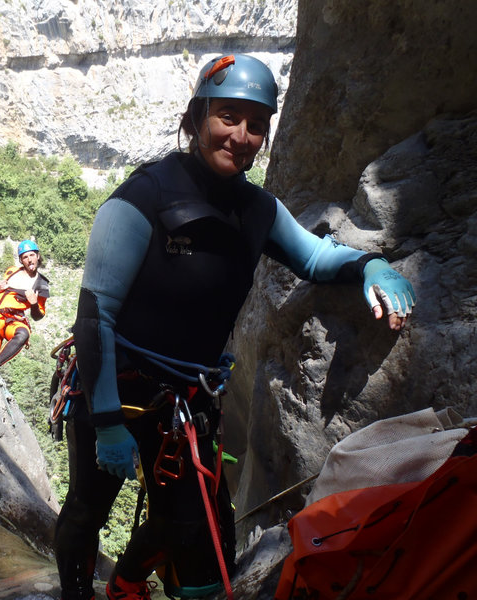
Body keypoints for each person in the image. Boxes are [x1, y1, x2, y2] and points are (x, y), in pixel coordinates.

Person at [54, 54, 416, 600]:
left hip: (186, 403)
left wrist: (369, 265)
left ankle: (126, 581)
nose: (241, 136)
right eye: (228, 117)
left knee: (196, 531)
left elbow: (315, 259)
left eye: (256, 125)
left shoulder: (257, 210)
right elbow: (96, 313)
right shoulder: (144, 196)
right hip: (118, 389)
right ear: (198, 116)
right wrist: (105, 421)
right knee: (87, 506)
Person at [0, 239, 50, 368]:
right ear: (21, 260)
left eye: (32, 255)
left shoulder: (41, 285)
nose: (29, 259)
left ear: (38, 256)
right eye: (25, 257)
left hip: (14, 322)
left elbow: (38, 316)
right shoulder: (12, 271)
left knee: (23, 334)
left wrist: (33, 303)